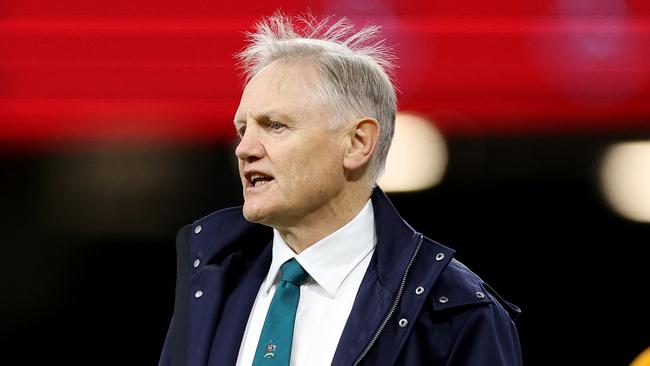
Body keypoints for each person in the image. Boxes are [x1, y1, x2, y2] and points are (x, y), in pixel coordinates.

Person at [159, 12, 522, 366]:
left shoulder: (456, 313)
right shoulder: (208, 286)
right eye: (243, 129)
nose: (245, 149)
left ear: (357, 143)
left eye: (275, 125)